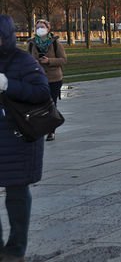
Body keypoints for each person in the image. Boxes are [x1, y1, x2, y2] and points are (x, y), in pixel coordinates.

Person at [0, 14, 51, 262]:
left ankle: (15, 248)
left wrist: (9, 84)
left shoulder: (23, 62)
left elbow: (42, 92)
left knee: (17, 194)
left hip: (17, 139)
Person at [26, 19, 67, 141]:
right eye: (37, 27)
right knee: (38, 105)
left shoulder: (55, 43)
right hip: (37, 79)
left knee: (51, 104)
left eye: (42, 27)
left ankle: (51, 131)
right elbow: (26, 60)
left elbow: (63, 60)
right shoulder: (31, 43)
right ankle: (40, 128)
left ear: (48, 29)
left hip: (54, 79)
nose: (40, 29)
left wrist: (49, 61)